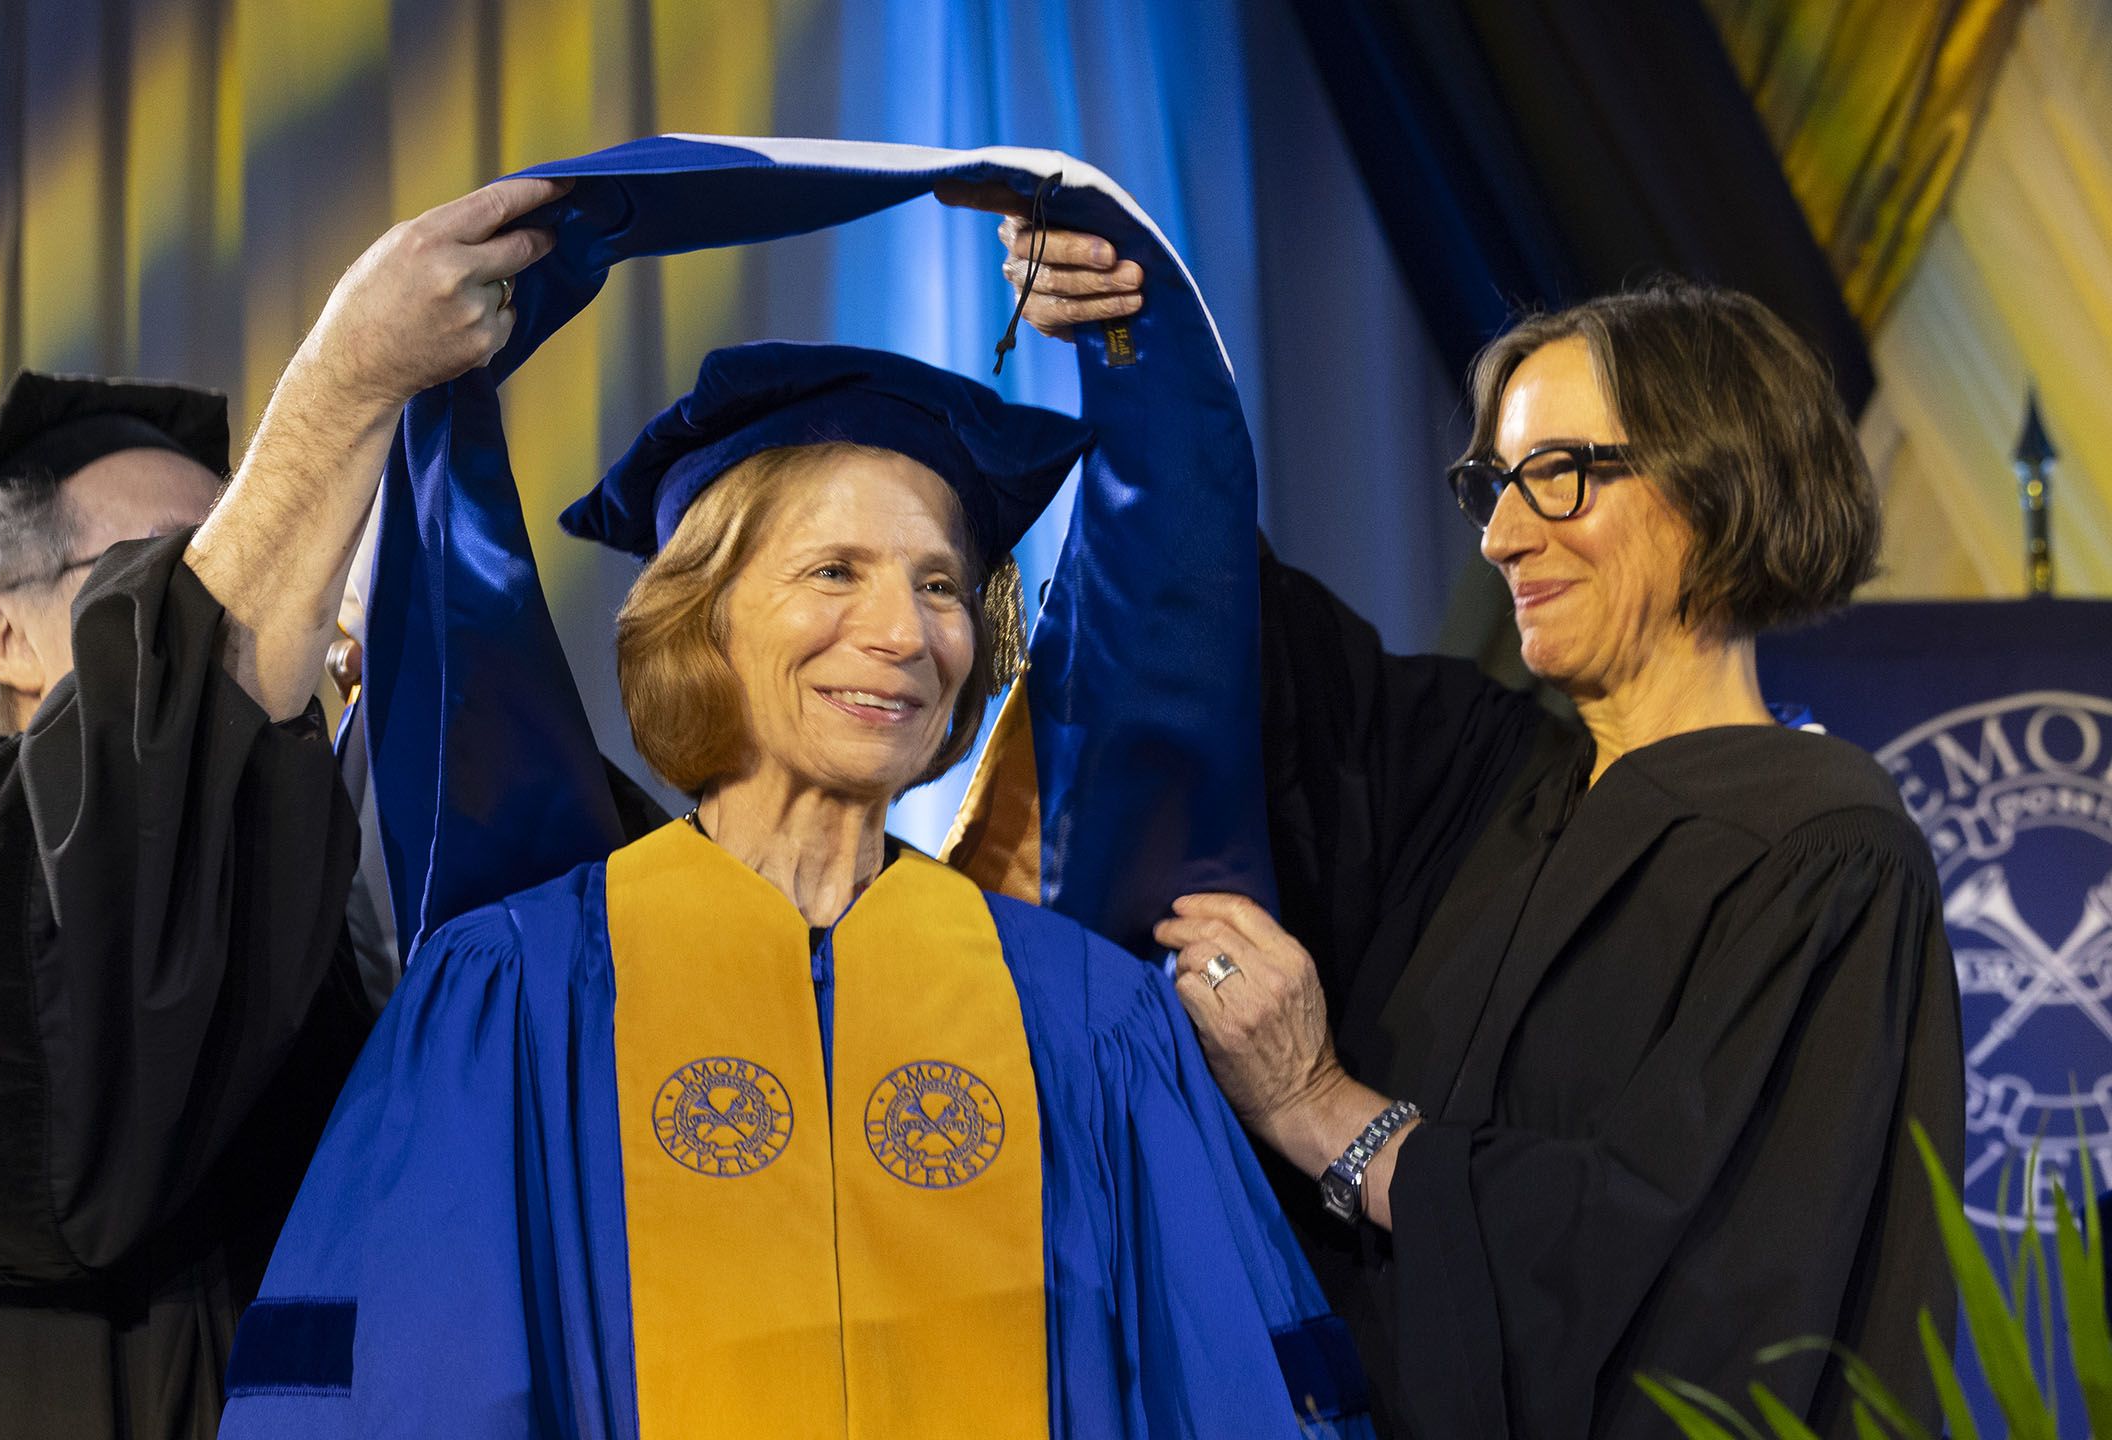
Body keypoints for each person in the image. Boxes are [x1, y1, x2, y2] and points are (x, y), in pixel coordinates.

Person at [218, 342, 1372, 1439]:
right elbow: (408, 1388)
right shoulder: (515, 995)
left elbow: (1228, 1393)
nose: (904, 633)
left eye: (939, 585)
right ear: (705, 615)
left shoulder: (1084, 1018)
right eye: (834, 571)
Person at [981, 227, 1964, 1438]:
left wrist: (1319, 1108)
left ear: (1717, 485)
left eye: (1558, 475)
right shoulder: (1473, 772)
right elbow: (1209, 620)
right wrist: (1132, 355)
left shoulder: (1822, 854)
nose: (1501, 536)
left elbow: (1714, 1276)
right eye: (1493, 485)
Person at [0, 175, 616, 1439]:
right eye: (164, 573)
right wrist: (337, 397)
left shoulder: (302, 896)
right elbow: (77, 1134)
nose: (242, 593)